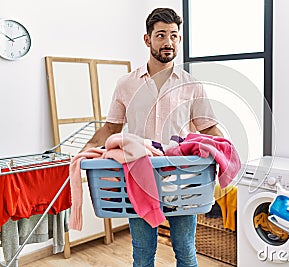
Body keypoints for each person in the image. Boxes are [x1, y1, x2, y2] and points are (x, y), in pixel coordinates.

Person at [82, 7, 223, 267]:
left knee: (186, 249)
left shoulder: (191, 85)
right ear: (147, 40)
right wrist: (87, 148)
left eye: (173, 35)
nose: (168, 42)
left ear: (179, 39)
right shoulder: (126, 83)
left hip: (183, 180)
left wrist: (229, 152)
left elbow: (209, 129)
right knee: (143, 252)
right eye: (160, 35)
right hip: (139, 179)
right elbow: (111, 128)